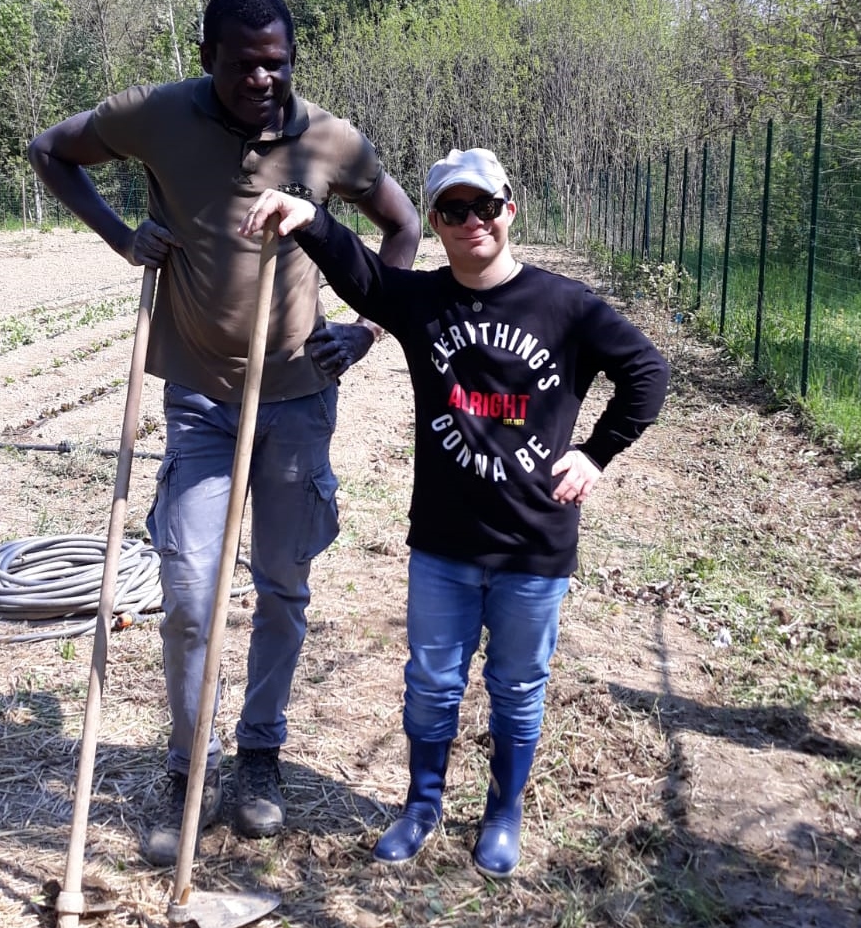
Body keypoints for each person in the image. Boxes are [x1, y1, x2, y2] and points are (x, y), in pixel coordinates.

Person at [27, 0, 420, 865]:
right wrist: (121, 234)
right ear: (208, 57)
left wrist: (365, 327)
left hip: (299, 399)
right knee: (191, 596)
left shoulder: (326, 138)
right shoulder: (157, 115)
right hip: (199, 397)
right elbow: (51, 150)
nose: (263, 79)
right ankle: (186, 765)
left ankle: (260, 757)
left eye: (277, 63)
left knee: (282, 588)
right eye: (245, 64)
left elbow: (398, 227)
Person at [240, 147, 670, 878]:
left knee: (517, 685)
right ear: (437, 222)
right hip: (443, 540)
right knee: (433, 681)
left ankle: (503, 812)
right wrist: (310, 216)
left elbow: (647, 371)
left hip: (533, 545)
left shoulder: (565, 306)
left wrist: (596, 452)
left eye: (484, 206)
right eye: (453, 210)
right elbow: (365, 274)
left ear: (509, 209)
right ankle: (422, 803)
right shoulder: (426, 302)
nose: (472, 221)